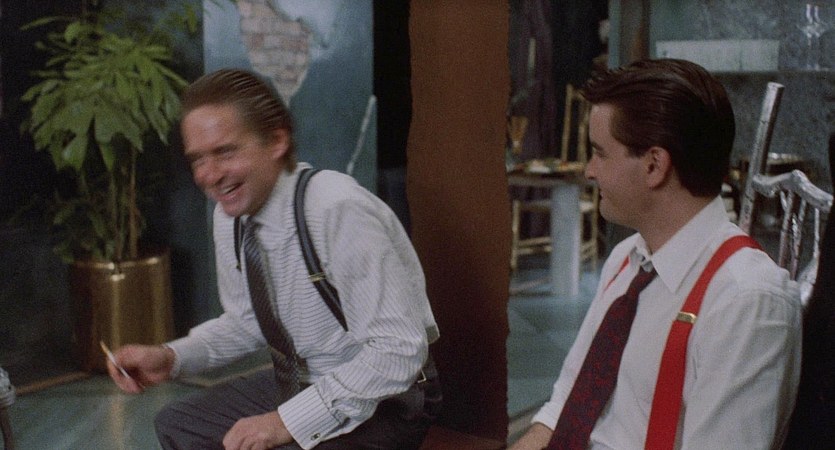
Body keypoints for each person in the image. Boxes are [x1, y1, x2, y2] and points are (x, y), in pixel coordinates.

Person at [105, 68, 441, 450]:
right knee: (178, 424)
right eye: (197, 159)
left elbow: (398, 350)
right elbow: (247, 322)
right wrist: (171, 358)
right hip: (303, 382)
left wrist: (286, 422)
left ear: (277, 140)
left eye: (225, 152)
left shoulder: (336, 208)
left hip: (389, 398)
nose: (209, 176)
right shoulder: (230, 217)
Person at [510, 58, 802, 449]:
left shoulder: (746, 301)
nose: (590, 171)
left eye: (600, 153)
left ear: (654, 165)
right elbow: (563, 407)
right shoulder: (627, 259)